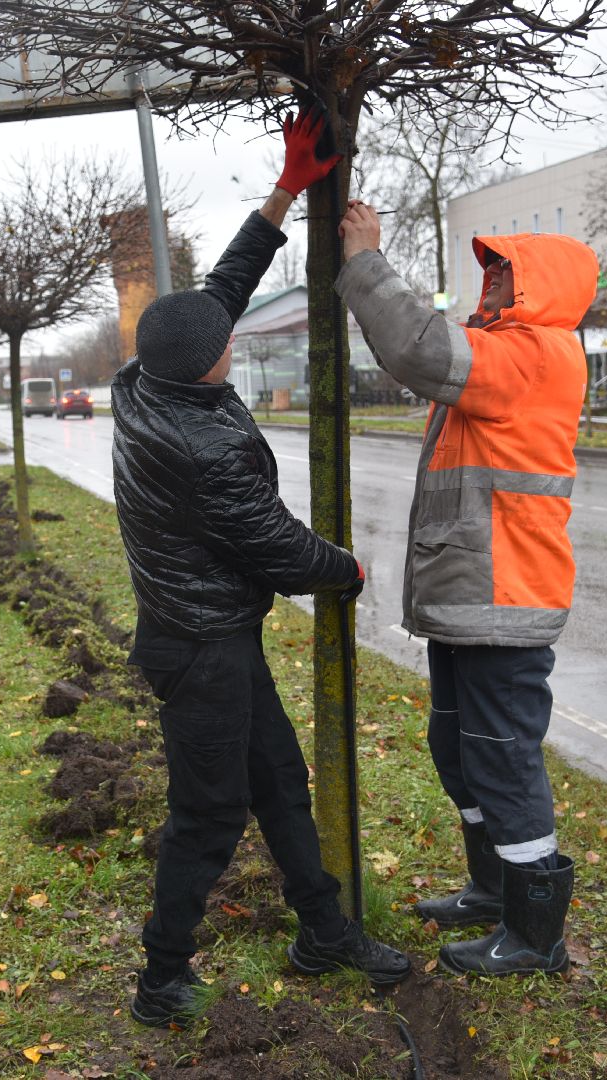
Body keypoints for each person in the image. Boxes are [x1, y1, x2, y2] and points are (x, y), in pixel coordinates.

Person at [111, 110, 410, 1029]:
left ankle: (322, 931)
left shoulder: (147, 378)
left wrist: (286, 188)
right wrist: (346, 570)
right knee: (209, 814)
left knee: (279, 779)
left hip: (211, 635)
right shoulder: (200, 445)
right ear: (210, 366)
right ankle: (161, 979)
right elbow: (275, 548)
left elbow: (221, 292)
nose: (231, 335)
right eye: (226, 340)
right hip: (198, 648)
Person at [335, 201, 598, 977]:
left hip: (504, 600)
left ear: (538, 288)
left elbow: (418, 348)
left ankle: (535, 935)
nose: (492, 287)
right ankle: (493, 891)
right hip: (473, 596)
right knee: (458, 751)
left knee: (502, 761)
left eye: (506, 275)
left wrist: (364, 262)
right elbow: (426, 350)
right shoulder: (505, 350)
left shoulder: (533, 355)